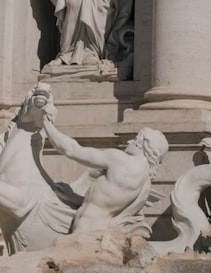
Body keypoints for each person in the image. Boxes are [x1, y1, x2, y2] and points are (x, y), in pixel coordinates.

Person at [41, 100, 167, 234]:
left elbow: (72, 150)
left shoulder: (121, 160)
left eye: (135, 139)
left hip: (84, 231)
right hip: (102, 232)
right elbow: (105, 203)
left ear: (143, 144)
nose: (130, 142)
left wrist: (46, 124)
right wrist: (73, 198)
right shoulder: (145, 185)